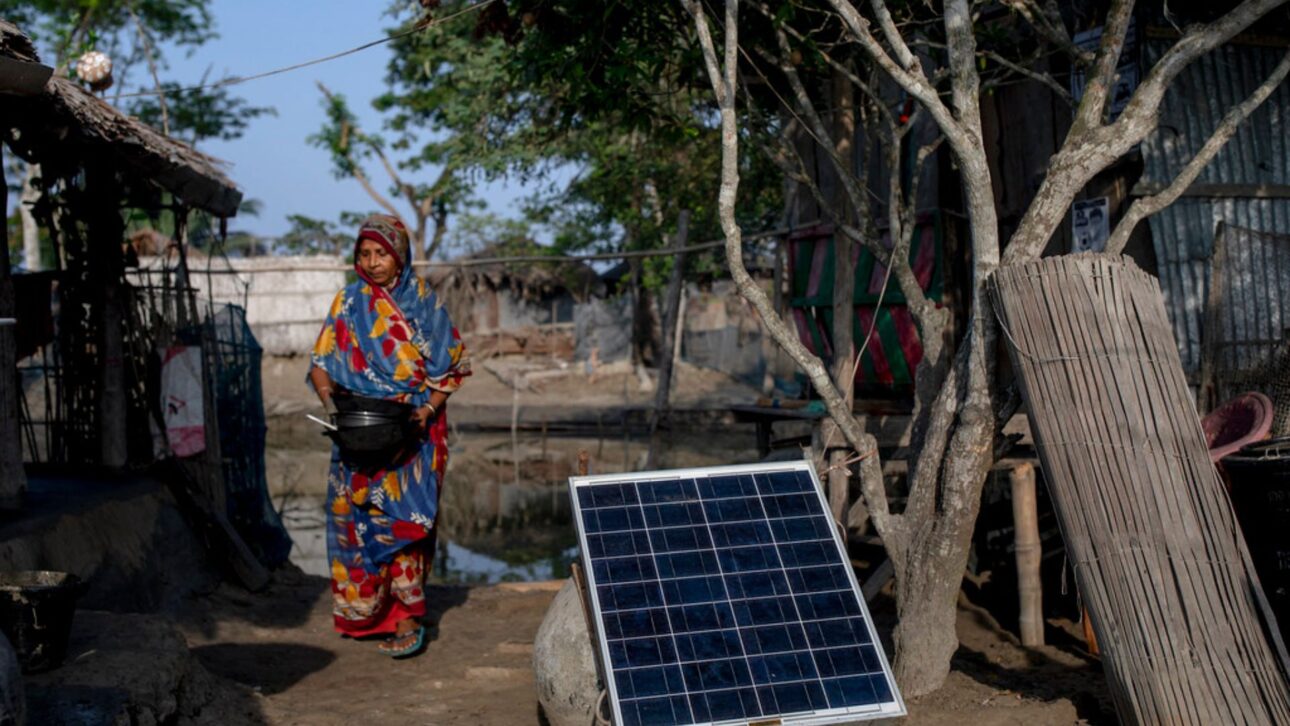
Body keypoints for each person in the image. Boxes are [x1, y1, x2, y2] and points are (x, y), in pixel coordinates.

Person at [307, 214, 469, 657]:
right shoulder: (348, 303)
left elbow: (452, 367)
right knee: (358, 520)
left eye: (382, 253)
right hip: (358, 430)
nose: (373, 262)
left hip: (413, 430)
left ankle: (409, 616)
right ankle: (370, 613)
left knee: (405, 522)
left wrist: (425, 411)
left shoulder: (423, 302)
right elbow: (321, 363)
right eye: (365, 254)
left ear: (399, 255)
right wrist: (331, 406)